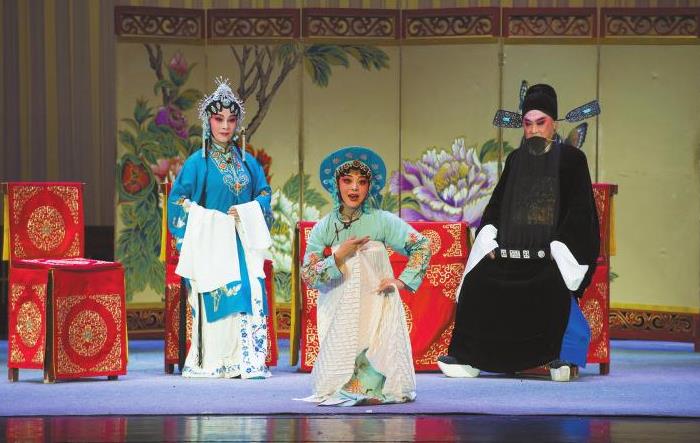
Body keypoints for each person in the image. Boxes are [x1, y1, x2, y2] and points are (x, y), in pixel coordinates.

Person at [438, 84, 600, 382]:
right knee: (478, 281)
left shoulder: (572, 160)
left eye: (541, 123)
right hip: (509, 252)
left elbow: (580, 213)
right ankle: (469, 356)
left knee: (552, 285)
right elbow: (497, 205)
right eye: (528, 124)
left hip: (548, 256)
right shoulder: (515, 159)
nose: (534, 130)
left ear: (553, 124)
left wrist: (557, 248)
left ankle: (559, 357)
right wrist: (488, 238)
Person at [300, 146, 432, 406]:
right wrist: (339, 256)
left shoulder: (382, 220)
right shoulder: (324, 227)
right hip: (340, 306)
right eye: (347, 180)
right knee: (337, 372)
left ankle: (376, 387)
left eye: (361, 182)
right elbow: (309, 275)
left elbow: (421, 245)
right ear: (336, 184)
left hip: (377, 301)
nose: (354, 188)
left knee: (379, 356)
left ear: (369, 187)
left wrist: (401, 281)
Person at [168, 77, 273, 379]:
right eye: (218, 119)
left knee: (252, 288)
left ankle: (247, 360)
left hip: (243, 240)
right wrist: (204, 217)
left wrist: (247, 210)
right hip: (211, 244)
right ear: (208, 122)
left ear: (238, 123)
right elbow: (177, 200)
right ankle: (217, 361)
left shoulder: (248, 162)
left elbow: (264, 192)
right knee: (223, 292)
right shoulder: (196, 163)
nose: (225, 126)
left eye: (231, 119)